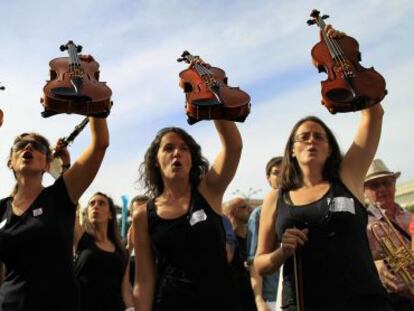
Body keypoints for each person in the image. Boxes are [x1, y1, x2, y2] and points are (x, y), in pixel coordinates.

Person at [254, 45, 392, 309]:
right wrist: (282, 251)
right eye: (303, 137)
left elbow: (374, 114)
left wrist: (344, 62)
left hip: (364, 302)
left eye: (319, 136)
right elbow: (260, 264)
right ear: (292, 151)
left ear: (330, 149)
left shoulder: (348, 178)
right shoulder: (276, 198)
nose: (311, 141)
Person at [0, 117, 109, 311]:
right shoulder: (1, 209)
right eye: (21, 145)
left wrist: (94, 105)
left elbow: (100, 144)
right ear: (10, 162)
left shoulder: (61, 195)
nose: (29, 148)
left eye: (38, 146)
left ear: (47, 165)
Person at [132, 120, 242, 311]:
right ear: (156, 161)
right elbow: (144, 280)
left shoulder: (209, 191)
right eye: (168, 148)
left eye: (184, 148)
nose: (177, 153)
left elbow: (233, 147)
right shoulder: (142, 215)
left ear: (191, 160)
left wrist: (213, 96)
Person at [364, 159, 414, 310]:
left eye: (387, 183)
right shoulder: (362, 224)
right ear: (364, 191)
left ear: (395, 186)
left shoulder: (409, 217)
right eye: (374, 185)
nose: (382, 189)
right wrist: (376, 264)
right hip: (393, 300)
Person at [74, 192, 134, 311]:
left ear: (110, 214)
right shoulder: (81, 238)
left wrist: (131, 309)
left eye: (101, 203)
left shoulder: (122, 252)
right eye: (92, 204)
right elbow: (69, 201)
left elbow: (125, 290)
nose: (96, 206)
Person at [247, 156, 282, 311]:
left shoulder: (302, 208)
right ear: (268, 179)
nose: (281, 176)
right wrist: (259, 300)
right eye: (276, 173)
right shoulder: (259, 214)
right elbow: (254, 261)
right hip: (273, 298)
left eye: (286, 171)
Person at [223, 197, 257, 311]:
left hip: (253, 294)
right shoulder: (226, 240)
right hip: (233, 295)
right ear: (233, 212)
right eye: (244, 207)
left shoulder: (253, 237)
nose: (250, 209)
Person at [126, 195, 149, 286]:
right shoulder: (121, 245)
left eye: (145, 212)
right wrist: (129, 248)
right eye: (137, 212)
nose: (141, 216)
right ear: (132, 216)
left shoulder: (162, 241)